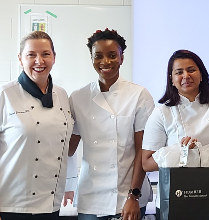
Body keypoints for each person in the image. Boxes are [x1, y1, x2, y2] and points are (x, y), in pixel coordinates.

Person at [0, 31, 73, 220]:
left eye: (45, 54)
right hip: (8, 204)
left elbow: (64, 144)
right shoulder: (2, 95)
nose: (39, 61)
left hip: (50, 204)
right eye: (31, 55)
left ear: (54, 57)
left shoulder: (61, 96)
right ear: (20, 59)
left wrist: (69, 184)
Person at [141, 49, 209, 220]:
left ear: (202, 74)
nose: (186, 76)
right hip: (175, 200)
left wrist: (203, 160)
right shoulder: (161, 113)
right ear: (171, 78)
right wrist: (179, 153)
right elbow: (147, 163)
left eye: (191, 70)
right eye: (179, 72)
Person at [66, 29, 154, 220]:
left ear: (122, 58)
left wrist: (134, 196)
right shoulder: (78, 97)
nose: (105, 62)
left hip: (128, 195)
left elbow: (143, 150)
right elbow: (68, 149)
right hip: (90, 195)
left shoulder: (139, 95)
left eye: (112, 55)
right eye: (98, 56)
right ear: (91, 59)